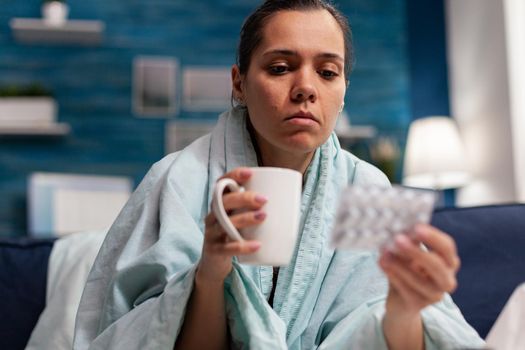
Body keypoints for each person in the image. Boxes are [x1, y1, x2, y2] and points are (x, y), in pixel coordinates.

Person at [74, 1, 485, 349]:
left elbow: (389, 335)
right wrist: (210, 272)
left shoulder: (367, 190)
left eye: (327, 72)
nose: (306, 88)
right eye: (281, 67)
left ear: (344, 90)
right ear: (239, 83)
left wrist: (405, 308)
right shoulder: (177, 180)